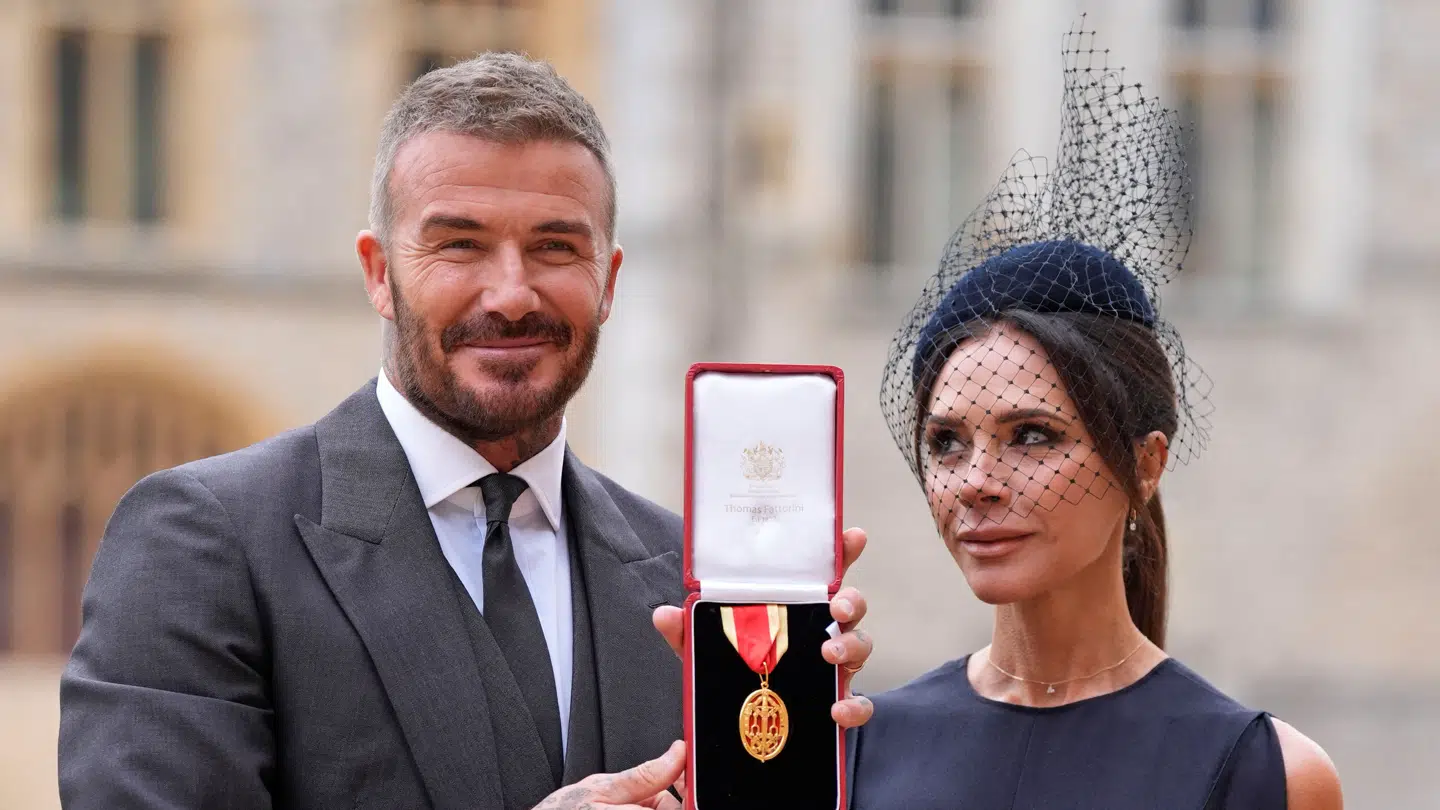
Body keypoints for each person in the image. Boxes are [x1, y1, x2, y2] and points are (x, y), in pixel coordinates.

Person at [58, 53, 874, 810]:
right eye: (460, 246)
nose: (512, 293)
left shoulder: (693, 587)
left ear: (610, 279)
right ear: (380, 273)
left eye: (555, 247)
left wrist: (816, 753)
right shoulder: (205, 542)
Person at [848, 27, 1343, 810]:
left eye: (1032, 436)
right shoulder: (860, 748)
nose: (976, 483)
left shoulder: (1264, 772)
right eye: (946, 443)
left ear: (1145, 463)